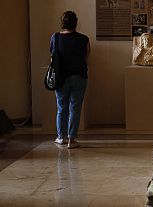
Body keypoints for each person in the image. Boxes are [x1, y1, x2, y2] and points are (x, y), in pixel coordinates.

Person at [51, 11, 90, 149]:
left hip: (61, 78)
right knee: (75, 108)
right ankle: (72, 139)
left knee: (62, 107)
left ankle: (61, 137)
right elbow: (86, 57)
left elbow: (52, 56)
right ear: (76, 22)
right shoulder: (84, 39)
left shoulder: (55, 37)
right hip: (79, 77)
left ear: (62, 22)